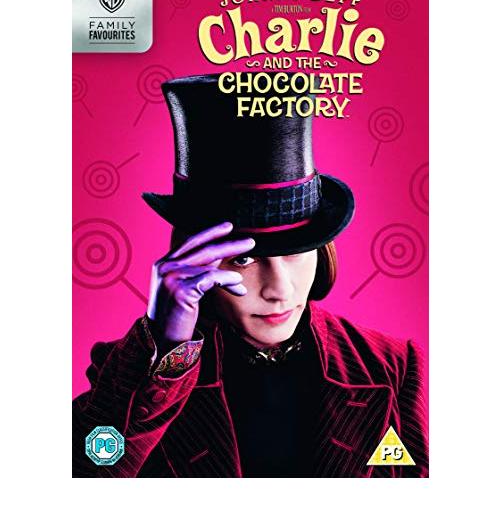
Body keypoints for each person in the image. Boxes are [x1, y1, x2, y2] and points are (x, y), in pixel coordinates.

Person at [73, 73, 428, 478]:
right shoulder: (130, 370)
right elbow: (87, 477)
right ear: (195, 261)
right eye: (243, 259)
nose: (280, 289)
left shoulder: (390, 365)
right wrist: (168, 349)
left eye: (295, 251)